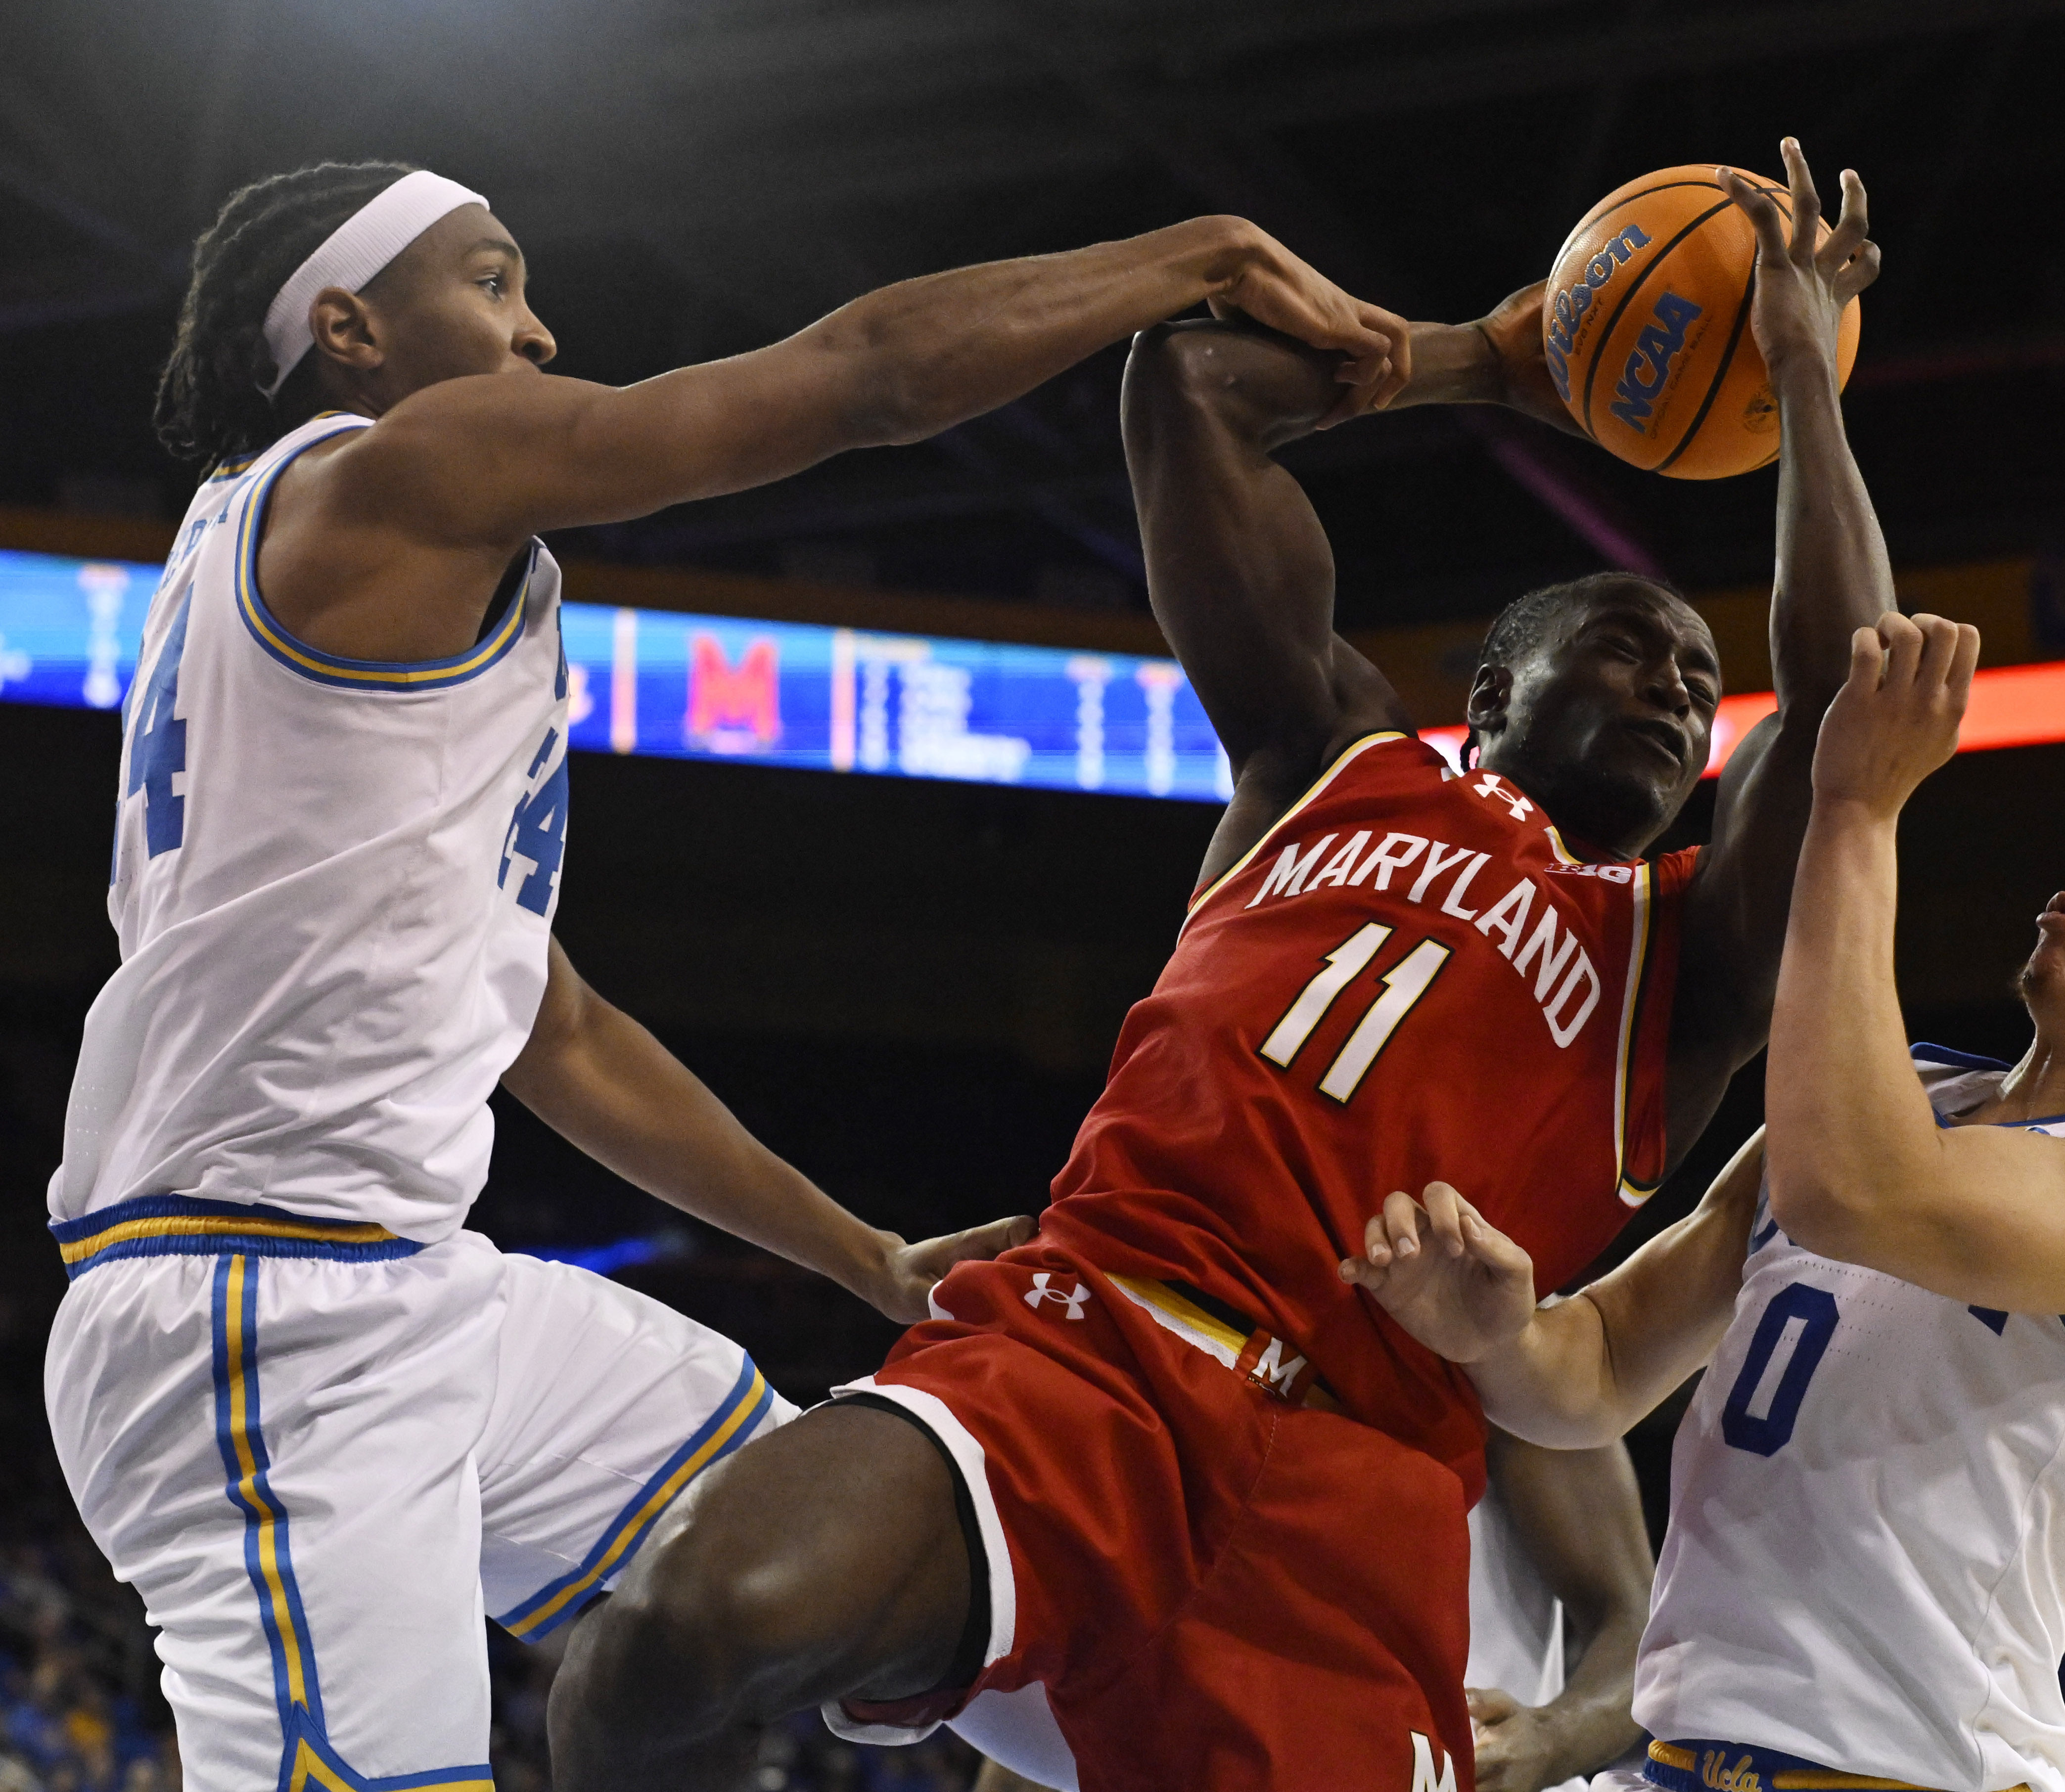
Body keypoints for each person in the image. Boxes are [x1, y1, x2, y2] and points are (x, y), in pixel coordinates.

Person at [44, 159, 1408, 1792]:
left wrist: (866, 1256)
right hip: (255, 1319)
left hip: (413, 1291)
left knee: (843, 1575)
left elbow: (557, 1027)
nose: (537, 330)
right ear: (350, 328)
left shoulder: (307, 568)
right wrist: (1203, 250)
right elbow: (863, 379)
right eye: (489, 281)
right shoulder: (393, 469)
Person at [551, 139, 1886, 1791]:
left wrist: (1801, 373)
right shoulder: (1329, 753)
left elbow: (1846, 698)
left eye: (1694, 681)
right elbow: (1188, 387)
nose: (1676, 691)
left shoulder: (1689, 959)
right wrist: (1474, 362)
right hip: (1089, 1348)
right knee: (672, 1643)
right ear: (1490, 695)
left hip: (1347, 1497)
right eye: (1626, 650)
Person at [1342, 641, 2065, 1789]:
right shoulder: (1903, 1099)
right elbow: (1593, 1370)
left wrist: (1857, 810)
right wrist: (1497, 1332)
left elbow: (1853, 1192)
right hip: (1680, 1760)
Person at [966, 1430, 1653, 1792]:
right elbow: (1086, 1656)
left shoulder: (1496, 1325)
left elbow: (1636, 1623)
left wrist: (1551, 1740)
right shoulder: (1155, 1336)